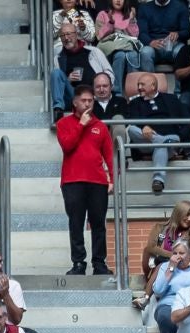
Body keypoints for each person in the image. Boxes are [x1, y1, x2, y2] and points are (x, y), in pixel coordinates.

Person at [56, 87, 116, 277]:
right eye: (84, 100)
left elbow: (109, 155)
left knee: (98, 224)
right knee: (76, 223)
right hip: (72, 181)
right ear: (75, 102)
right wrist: (81, 125)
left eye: (91, 100)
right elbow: (67, 146)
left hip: (97, 181)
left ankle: (99, 263)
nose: (88, 104)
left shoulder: (101, 126)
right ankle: (79, 263)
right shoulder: (64, 123)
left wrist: (112, 179)